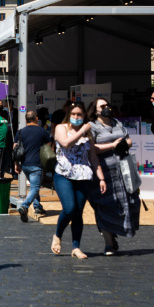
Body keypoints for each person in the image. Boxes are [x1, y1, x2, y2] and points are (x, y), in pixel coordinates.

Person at [51, 101, 107, 259]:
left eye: (79, 114)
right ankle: (57, 236)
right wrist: (82, 130)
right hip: (64, 174)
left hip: (83, 175)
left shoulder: (89, 133)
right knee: (69, 209)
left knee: (78, 213)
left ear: (84, 116)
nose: (76, 117)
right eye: (73, 114)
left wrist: (101, 178)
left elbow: (93, 157)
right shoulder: (62, 128)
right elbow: (66, 143)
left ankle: (76, 247)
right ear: (69, 114)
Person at [88, 98, 139, 254]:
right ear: (95, 110)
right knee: (105, 205)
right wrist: (112, 145)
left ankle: (115, 231)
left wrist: (125, 144)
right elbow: (92, 148)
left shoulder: (117, 123)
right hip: (103, 171)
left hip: (123, 169)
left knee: (129, 203)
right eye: (102, 106)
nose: (106, 108)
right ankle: (108, 243)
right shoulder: (91, 126)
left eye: (107, 105)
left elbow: (128, 139)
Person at [13, 110, 51, 222]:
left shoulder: (20, 132)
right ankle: (24, 206)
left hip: (24, 165)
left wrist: (16, 164)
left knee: (34, 186)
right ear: (36, 119)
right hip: (36, 164)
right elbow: (49, 147)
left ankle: (38, 207)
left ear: (26, 120)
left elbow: (15, 149)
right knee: (35, 187)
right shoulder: (42, 132)